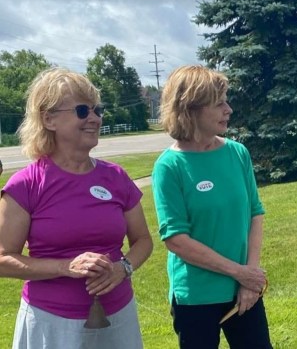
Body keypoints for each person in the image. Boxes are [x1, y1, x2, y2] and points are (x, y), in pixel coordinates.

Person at [0, 67, 153, 349]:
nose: (95, 118)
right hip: (51, 325)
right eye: (83, 111)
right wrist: (64, 267)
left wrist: (124, 268)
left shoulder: (116, 177)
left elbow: (143, 240)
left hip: (118, 317)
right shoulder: (26, 184)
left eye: (98, 110)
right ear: (49, 119)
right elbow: (3, 259)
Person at [152, 65, 272, 349]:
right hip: (196, 296)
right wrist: (238, 272)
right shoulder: (169, 166)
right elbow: (176, 240)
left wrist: (249, 278)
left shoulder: (237, 153)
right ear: (190, 110)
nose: (228, 109)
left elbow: (255, 213)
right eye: (219, 104)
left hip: (244, 288)